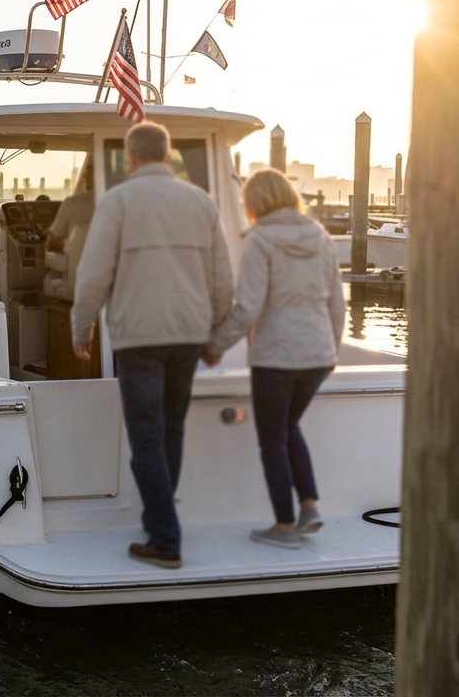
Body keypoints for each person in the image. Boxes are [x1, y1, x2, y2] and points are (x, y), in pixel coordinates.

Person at [71, 122, 233, 569]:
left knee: (145, 436)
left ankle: (164, 540)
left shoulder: (118, 201)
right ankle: (158, 520)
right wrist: (215, 334)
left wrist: (81, 328)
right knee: (171, 430)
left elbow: (93, 274)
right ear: (168, 154)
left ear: (131, 156)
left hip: (139, 336)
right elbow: (223, 279)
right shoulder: (202, 202)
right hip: (189, 337)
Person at [204, 169, 345, 549]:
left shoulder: (260, 239)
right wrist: (332, 349)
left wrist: (215, 344)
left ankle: (284, 528)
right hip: (317, 353)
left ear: (254, 202)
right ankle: (309, 507)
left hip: (277, 357)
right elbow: (337, 302)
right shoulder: (321, 237)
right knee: (288, 426)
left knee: (272, 440)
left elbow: (248, 308)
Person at [43, 161, 95, 300]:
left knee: (49, 274)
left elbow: (54, 239)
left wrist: (44, 234)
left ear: (86, 177)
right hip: (115, 290)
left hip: (79, 288)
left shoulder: (72, 203)